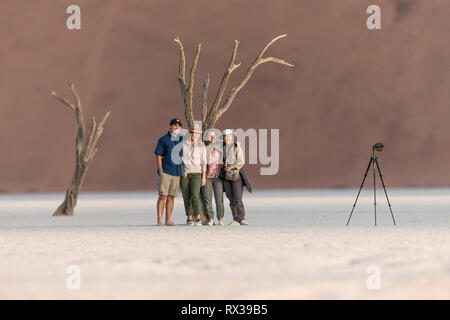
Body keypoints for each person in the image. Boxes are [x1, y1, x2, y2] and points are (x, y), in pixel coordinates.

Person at [154, 118, 183, 226]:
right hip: (166, 171)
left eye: (178, 126)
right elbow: (158, 155)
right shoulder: (163, 139)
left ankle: (168, 220)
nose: (176, 127)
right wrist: (160, 170)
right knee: (163, 196)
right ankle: (159, 220)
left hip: (176, 172)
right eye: (174, 125)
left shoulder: (181, 139)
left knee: (171, 196)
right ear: (170, 126)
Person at [221, 129, 252, 225]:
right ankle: (235, 218)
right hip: (226, 176)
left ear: (232, 137)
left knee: (237, 198)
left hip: (236, 175)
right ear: (223, 138)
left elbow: (241, 162)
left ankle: (241, 218)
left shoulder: (237, 147)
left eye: (229, 136)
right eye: (225, 136)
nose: (227, 138)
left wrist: (232, 167)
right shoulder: (221, 148)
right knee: (230, 198)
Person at [180, 124, 206, 226]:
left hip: (197, 173)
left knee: (195, 196)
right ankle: (189, 218)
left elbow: (204, 161)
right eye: (194, 133)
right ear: (190, 134)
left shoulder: (201, 145)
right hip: (185, 174)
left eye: (198, 134)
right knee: (186, 196)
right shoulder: (183, 144)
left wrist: (204, 176)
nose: (196, 135)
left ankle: (198, 218)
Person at [201, 130, 225, 226]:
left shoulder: (220, 147)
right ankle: (210, 219)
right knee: (207, 199)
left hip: (218, 176)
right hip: (207, 176)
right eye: (211, 136)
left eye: (214, 136)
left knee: (219, 199)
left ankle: (220, 219)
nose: (213, 137)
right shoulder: (205, 147)